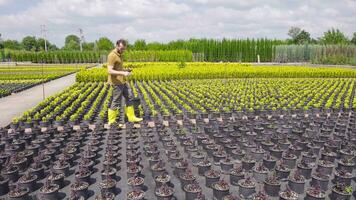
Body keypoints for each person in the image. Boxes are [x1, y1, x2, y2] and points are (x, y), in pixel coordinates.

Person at [107, 39, 142, 126]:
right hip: (116, 82)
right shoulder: (112, 55)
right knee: (116, 101)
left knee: (129, 97)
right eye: (121, 48)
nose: (123, 50)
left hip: (122, 81)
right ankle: (111, 121)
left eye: (124, 49)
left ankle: (131, 117)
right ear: (117, 46)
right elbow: (110, 71)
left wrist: (126, 70)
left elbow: (117, 68)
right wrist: (123, 73)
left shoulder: (120, 55)